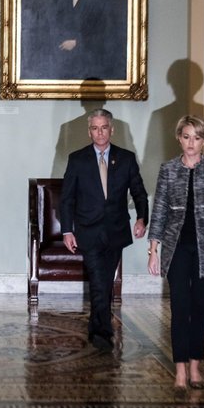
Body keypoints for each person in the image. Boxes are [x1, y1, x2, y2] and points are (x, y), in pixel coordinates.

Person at [147, 115, 204, 389]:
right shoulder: (168, 169)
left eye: (197, 137)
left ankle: (195, 367)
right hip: (177, 250)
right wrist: (153, 250)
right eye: (186, 137)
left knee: (200, 308)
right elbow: (159, 210)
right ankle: (180, 370)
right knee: (180, 308)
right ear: (179, 138)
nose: (191, 143)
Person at [61, 108, 148, 351]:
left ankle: (95, 324)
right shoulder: (77, 159)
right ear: (89, 132)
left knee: (105, 281)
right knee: (98, 278)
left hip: (115, 230)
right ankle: (102, 332)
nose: (100, 132)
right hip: (87, 230)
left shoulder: (126, 158)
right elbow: (67, 199)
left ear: (112, 129)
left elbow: (139, 192)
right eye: (95, 128)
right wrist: (67, 230)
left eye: (104, 127)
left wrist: (142, 218)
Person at [49, 0, 122, 80]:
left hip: (90, 66)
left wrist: (78, 43)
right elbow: (51, 29)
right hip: (62, 66)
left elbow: (107, 34)